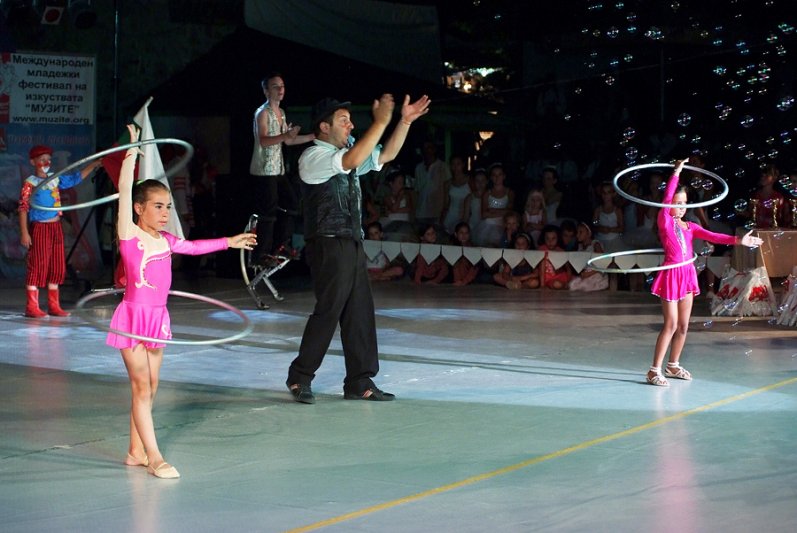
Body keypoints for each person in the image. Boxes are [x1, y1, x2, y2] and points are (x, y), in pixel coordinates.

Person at [107, 125, 256, 478]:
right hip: (133, 317)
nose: (164, 213)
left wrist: (229, 241)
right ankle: (154, 457)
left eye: (168, 206)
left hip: (157, 319)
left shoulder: (167, 240)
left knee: (151, 388)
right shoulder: (130, 235)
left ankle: (134, 451)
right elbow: (125, 188)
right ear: (139, 209)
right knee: (141, 387)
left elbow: (194, 246)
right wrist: (132, 150)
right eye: (158, 206)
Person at [287, 93, 431, 404]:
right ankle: (300, 376)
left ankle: (359, 381)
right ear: (324, 127)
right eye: (343, 121)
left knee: (359, 311)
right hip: (327, 242)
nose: (350, 125)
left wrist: (404, 122)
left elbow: (384, 155)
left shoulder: (346, 153)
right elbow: (351, 160)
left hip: (352, 240)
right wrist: (380, 122)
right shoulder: (313, 156)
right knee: (330, 310)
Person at [646, 159, 762, 387]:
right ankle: (653, 370)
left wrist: (740, 240)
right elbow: (667, 198)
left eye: (684, 203)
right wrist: (677, 172)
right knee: (670, 324)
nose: (681, 207)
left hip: (687, 274)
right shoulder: (665, 222)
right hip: (671, 275)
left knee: (683, 326)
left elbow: (714, 236)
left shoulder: (690, 227)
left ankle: (673, 365)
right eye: (677, 203)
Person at [19, 145, 103, 318]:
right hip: (40, 227)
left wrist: (93, 165)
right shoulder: (30, 183)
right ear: (33, 162)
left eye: (48, 159)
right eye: (42, 159)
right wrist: (24, 232)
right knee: (38, 263)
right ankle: (32, 306)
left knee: (57, 264)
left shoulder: (54, 179)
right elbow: (23, 207)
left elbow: (75, 179)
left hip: (56, 227)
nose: (46, 162)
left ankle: (54, 305)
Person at [249, 72, 314, 265]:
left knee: (291, 203)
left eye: (282, 86)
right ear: (266, 91)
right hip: (264, 170)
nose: (280, 90)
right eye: (275, 87)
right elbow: (263, 140)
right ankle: (260, 255)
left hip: (278, 170)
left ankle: (280, 245)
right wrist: (286, 136)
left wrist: (312, 137)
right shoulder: (262, 113)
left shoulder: (282, 113)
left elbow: (289, 141)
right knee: (268, 211)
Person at [568, 222, 608, 291]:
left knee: (585, 287)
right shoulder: (580, 247)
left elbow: (602, 263)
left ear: (589, 233)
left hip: (596, 274)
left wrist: (589, 273)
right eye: (577, 232)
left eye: (580, 232)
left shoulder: (595, 245)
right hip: (586, 274)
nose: (577, 235)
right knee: (572, 285)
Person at [441, 155, 471, 233]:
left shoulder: (470, 181)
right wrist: (442, 219)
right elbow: (446, 204)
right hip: (451, 216)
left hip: (466, 216)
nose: (455, 167)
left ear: (463, 165)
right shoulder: (448, 183)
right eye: (453, 164)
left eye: (458, 164)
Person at [450, 222, 479, 286]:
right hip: (455, 281)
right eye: (461, 233)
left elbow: (474, 269)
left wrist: (464, 281)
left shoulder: (473, 248)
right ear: (456, 234)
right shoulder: (452, 248)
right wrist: (458, 281)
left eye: (466, 233)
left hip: (469, 280)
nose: (464, 235)